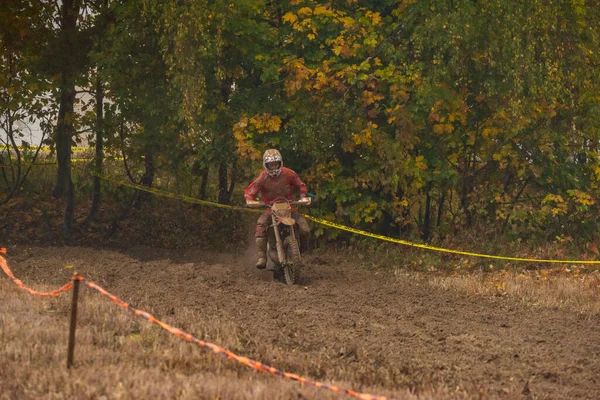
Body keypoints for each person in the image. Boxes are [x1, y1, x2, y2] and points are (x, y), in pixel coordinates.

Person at [244, 149, 311, 269]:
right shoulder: (263, 177)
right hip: (271, 208)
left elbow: (301, 185)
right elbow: (251, 191)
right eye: (271, 164)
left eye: (276, 163)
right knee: (261, 224)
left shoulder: (288, 173)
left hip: (289, 207)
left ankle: (302, 250)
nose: (274, 166)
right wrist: (250, 200)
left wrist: (302, 197)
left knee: (304, 228)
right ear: (266, 164)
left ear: (280, 163)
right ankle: (262, 256)